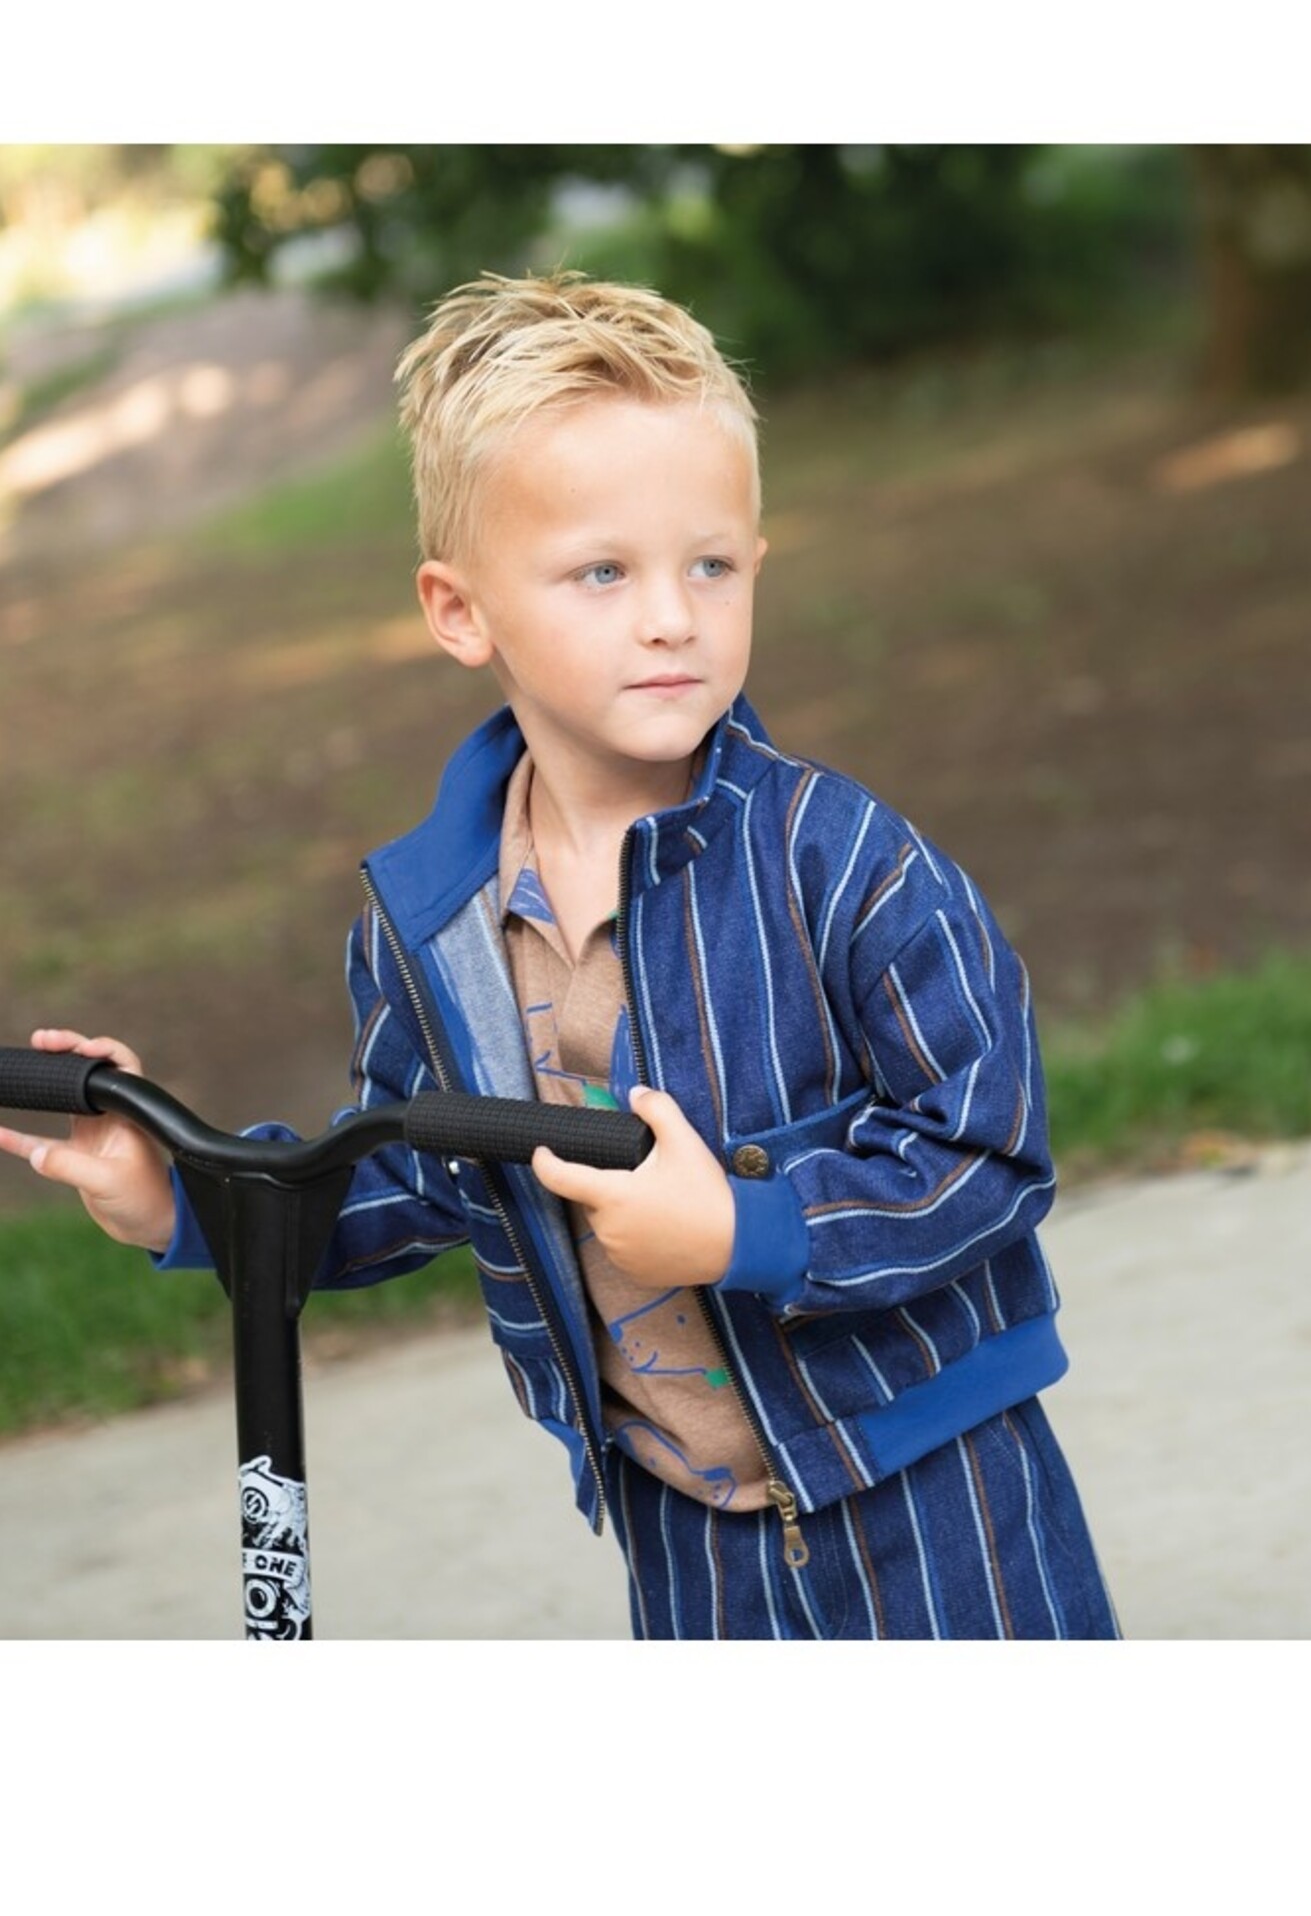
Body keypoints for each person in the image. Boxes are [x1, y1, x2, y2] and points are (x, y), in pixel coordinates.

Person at [0, 273, 1119, 1641]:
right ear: (461, 613)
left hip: (936, 1489)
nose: (670, 617)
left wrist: (745, 1230)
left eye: (708, 565)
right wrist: (180, 1192)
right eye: (604, 572)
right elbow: (410, 1174)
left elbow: (990, 1152)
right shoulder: (429, 923)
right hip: (682, 1517)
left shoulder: (841, 862)